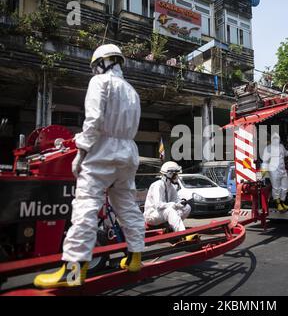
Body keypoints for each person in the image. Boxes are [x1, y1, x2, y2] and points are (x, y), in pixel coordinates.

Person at [34, 44, 145, 289]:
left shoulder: (99, 83)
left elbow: (93, 121)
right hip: (128, 153)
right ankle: (135, 258)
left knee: (85, 208)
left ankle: (73, 273)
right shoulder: (132, 91)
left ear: (104, 62)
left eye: (96, 65)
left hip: (102, 151)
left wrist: (81, 152)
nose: (95, 69)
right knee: (127, 205)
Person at [144, 162, 197, 240]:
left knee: (187, 207)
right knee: (170, 210)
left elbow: (176, 200)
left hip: (162, 214)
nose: (177, 177)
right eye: (175, 174)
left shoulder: (171, 187)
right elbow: (158, 206)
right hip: (151, 216)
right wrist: (174, 205)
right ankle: (182, 235)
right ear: (169, 174)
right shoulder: (157, 185)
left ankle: (171, 228)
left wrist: (181, 203)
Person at [262, 132, 288, 212]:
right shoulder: (268, 148)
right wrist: (263, 171)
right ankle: (278, 204)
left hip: (283, 170)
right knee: (276, 188)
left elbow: (286, 153)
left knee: (285, 187)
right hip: (274, 171)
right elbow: (265, 161)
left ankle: (283, 203)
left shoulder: (281, 146)